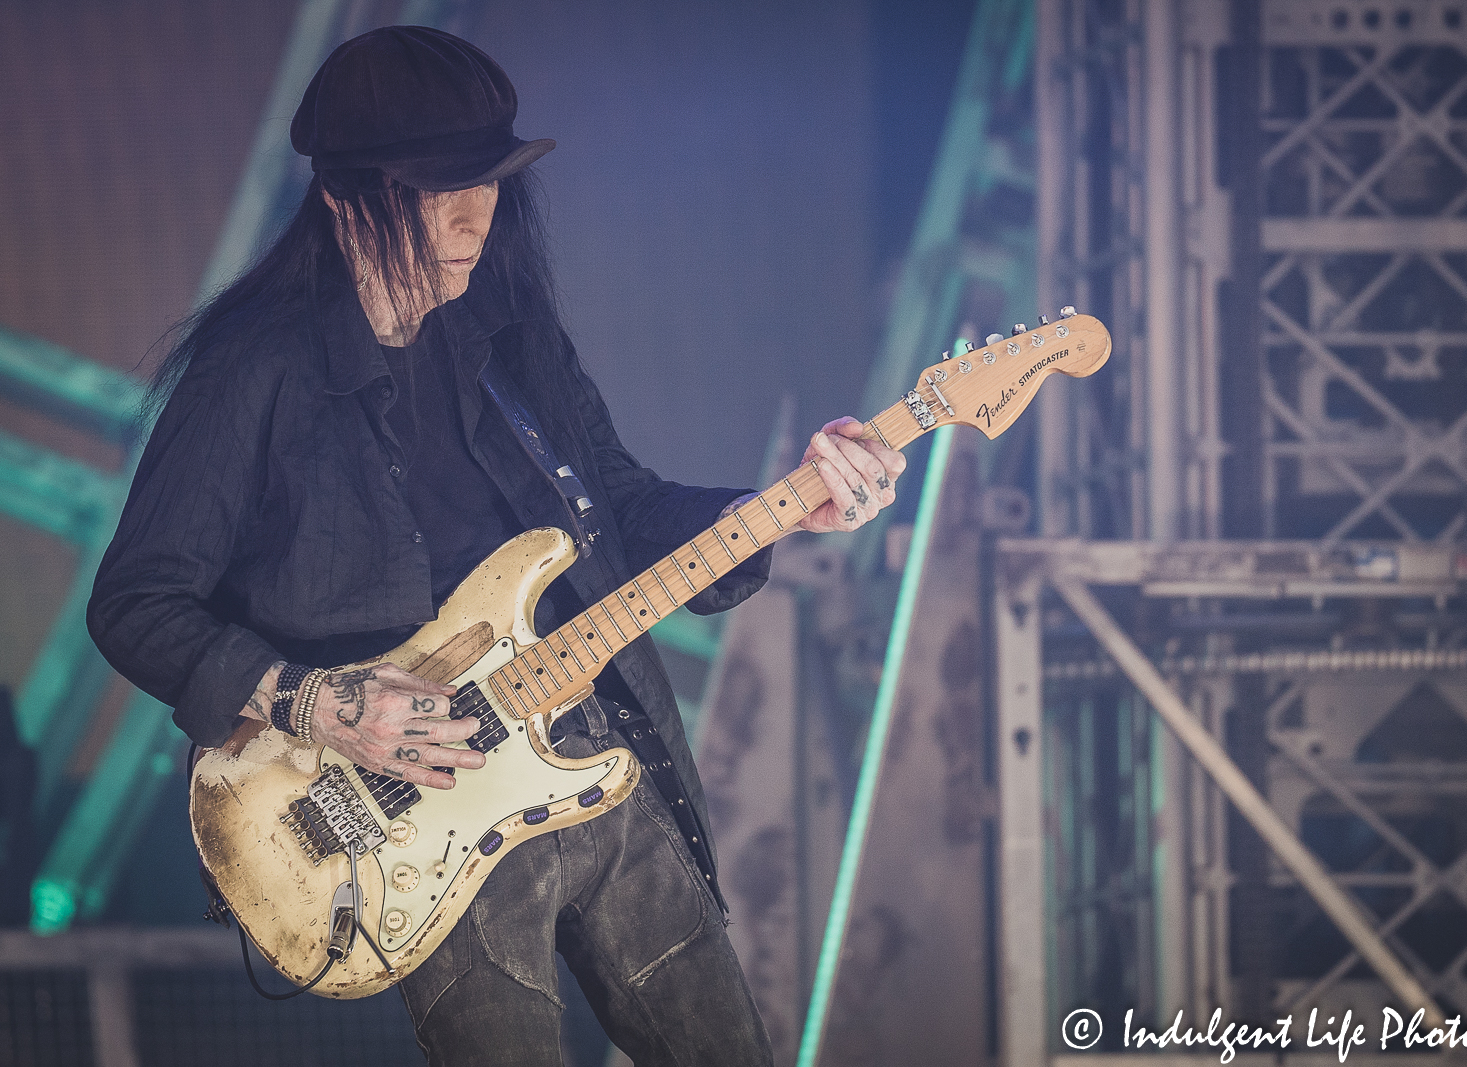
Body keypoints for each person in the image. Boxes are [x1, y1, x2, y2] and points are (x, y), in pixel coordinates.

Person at [86, 25, 905, 1067]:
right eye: (435, 189)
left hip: (597, 766)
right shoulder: (255, 370)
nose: (475, 214)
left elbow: (620, 507)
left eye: (489, 180)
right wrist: (329, 703)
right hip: (421, 819)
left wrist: (789, 503)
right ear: (344, 198)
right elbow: (136, 603)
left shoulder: (511, 335)